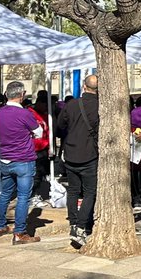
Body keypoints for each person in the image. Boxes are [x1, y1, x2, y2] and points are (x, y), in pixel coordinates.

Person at [0, 81, 43, 245]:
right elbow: (39, 132)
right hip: (23, 159)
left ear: (6, 94)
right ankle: (19, 232)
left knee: (5, 193)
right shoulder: (25, 114)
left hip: (5, 159)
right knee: (23, 197)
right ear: (23, 95)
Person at [59, 73, 99, 249]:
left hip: (71, 152)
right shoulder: (100, 106)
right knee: (90, 192)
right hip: (89, 153)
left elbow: (60, 126)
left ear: (84, 86)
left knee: (73, 191)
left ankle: (74, 223)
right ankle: (82, 226)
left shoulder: (71, 105)